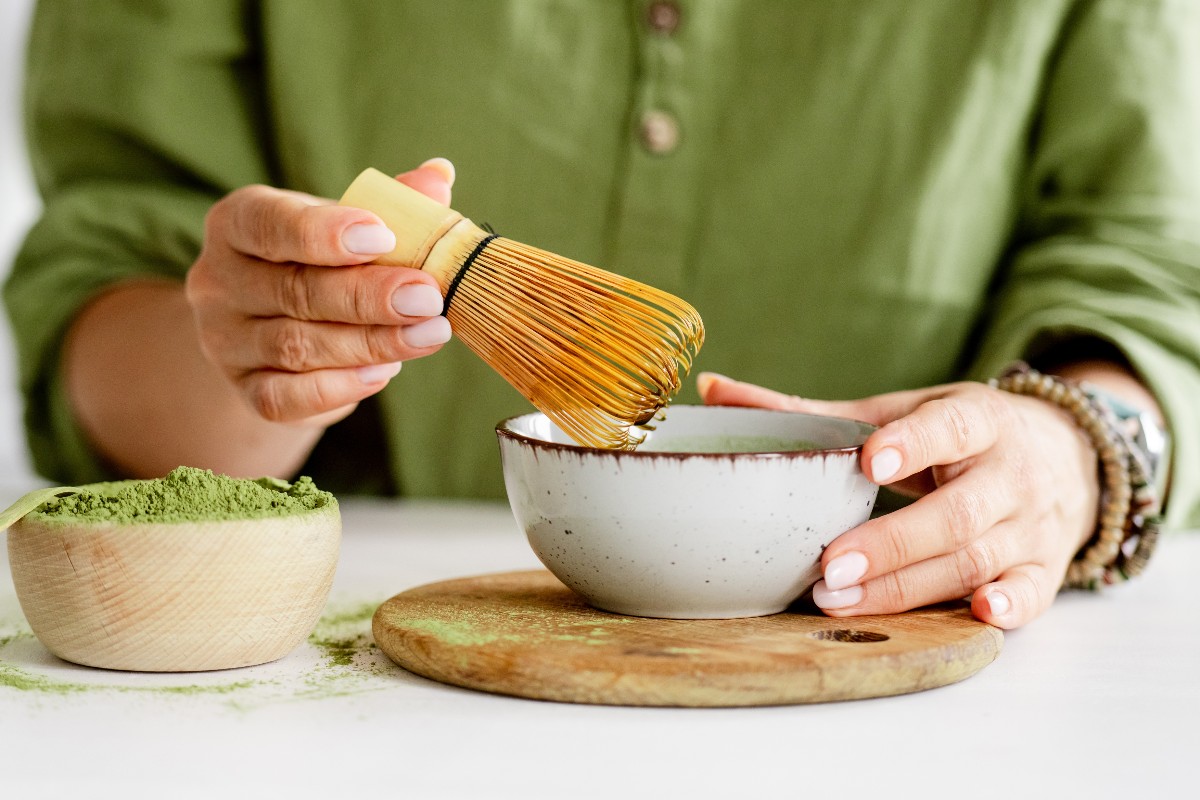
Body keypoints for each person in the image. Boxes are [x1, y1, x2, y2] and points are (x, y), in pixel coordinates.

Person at [6, 1, 1198, 631]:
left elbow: (1147, 258)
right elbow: (109, 269)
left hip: (936, 688)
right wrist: (256, 350)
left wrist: (1075, 450)